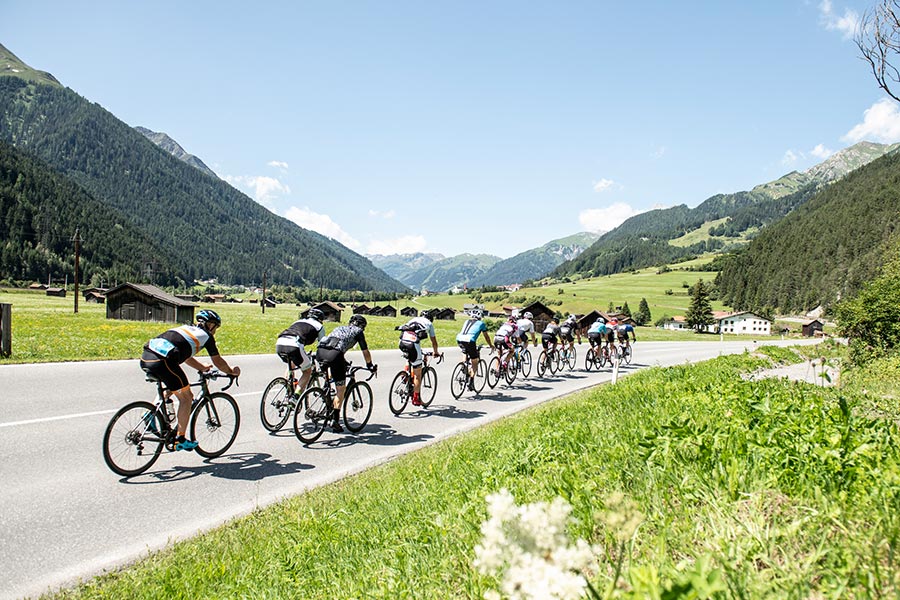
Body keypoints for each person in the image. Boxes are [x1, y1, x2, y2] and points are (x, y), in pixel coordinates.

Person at [139, 309, 241, 451]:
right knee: (187, 398)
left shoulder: (185, 329)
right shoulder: (206, 336)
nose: (215, 331)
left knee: (173, 387)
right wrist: (231, 371)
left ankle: (150, 414)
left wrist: (201, 367)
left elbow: (186, 356)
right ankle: (179, 439)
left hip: (146, 358)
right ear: (210, 325)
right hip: (164, 362)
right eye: (216, 327)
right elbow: (218, 361)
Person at [315, 314, 377, 433]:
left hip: (321, 352)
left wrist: (344, 363)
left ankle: (325, 392)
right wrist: (370, 365)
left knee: (332, 373)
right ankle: (335, 421)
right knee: (341, 389)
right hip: (335, 355)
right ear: (362, 326)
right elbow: (365, 351)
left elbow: (334, 345)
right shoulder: (358, 331)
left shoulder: (339, 328)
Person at [275, 307, 327, 397]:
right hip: (294, 345)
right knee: (307, 371)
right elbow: (323, 346)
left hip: (280, 342)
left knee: (291, 364)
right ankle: (296, 396)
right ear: (320, 319)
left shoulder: (298, 322)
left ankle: (288, 389)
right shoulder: (319, 326)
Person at [397, 314, 443, 406]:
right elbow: (434, 341)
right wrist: (436, 352)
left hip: (402, 342)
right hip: (413, 344)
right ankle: (416, 398)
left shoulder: (414, 319)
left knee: (410, 358)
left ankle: (405, 375)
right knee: (418, 374)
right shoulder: (429, 324)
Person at [455, 308, 494, 390]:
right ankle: (471, 382)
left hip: (459, 339)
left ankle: (464, 365)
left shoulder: (466, 321)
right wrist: (491, 345)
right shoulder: (481, 323)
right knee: (475, 362)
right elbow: (486, 336)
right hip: (470, 340)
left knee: (465, 351)